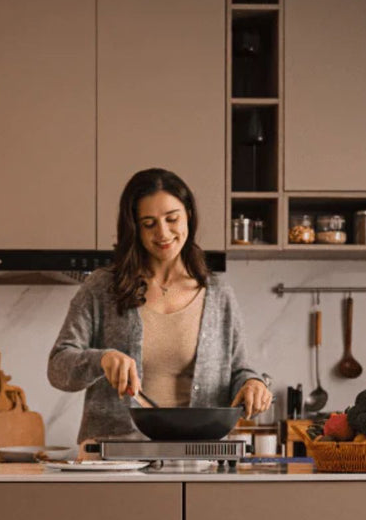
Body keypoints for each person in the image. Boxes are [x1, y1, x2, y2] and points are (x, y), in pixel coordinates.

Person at [47, 167, 272, 444]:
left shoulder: (219, 294)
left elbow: (239, 370)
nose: (163, 233)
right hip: (114, 456)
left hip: (198, 458)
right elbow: (58, 367)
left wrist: (253, 384)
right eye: (149, 223)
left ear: (188, 214)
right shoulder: (102, 287)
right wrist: (102, 359)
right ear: (134, 228)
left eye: (172, 218)